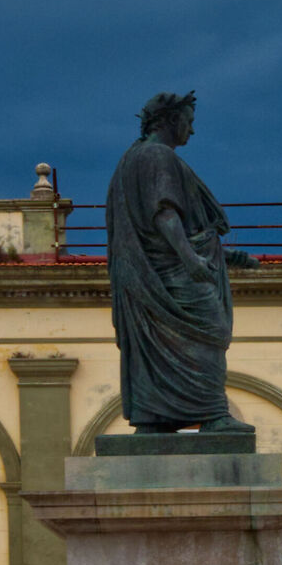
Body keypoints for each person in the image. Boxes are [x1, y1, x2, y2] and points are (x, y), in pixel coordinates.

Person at [106, 92, 253, 435]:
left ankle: (153, 419)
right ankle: (215, 414)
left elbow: (164, 227)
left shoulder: (131, 159)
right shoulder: (157, 155)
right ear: (171, 120)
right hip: (175, 275)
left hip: (154, 272)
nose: (192, 130)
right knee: (212, 332)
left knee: (158, 344)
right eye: (189, 122)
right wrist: (191, 261)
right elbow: (164, 213)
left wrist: (229, 256)